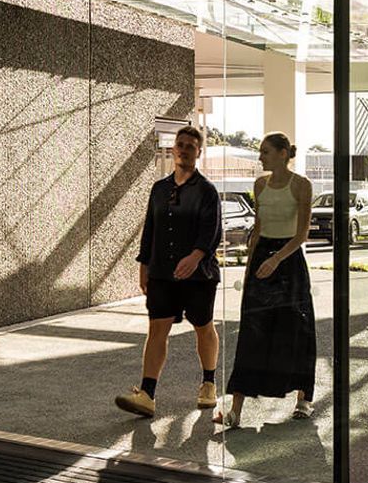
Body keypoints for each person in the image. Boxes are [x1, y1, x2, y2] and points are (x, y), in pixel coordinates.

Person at [115, 124, 222, 418]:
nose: (184, 149)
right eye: (181, 144)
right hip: (162, 273)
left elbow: (212, 231)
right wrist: (144, 265)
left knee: (203, 327)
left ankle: (209, 384)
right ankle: (147, 394)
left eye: (190, 145)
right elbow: (150, 229)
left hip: (199, 275)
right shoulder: (159, 189)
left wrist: (196, 256)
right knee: (157, 329)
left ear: (198, 152)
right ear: (173, 149)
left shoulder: (206, 191)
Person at [215, 132, 315, 428]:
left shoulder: (302, 185)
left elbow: (302, 234)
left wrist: (276, 259)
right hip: (262, 260)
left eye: (266, 152)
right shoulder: (260, 185)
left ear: (283, 153)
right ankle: (235, 411)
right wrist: (250, 267)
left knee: (297, 328)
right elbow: (258, 228)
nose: (260, 157)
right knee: (252, 331)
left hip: (289, 261)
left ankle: (303, 399)